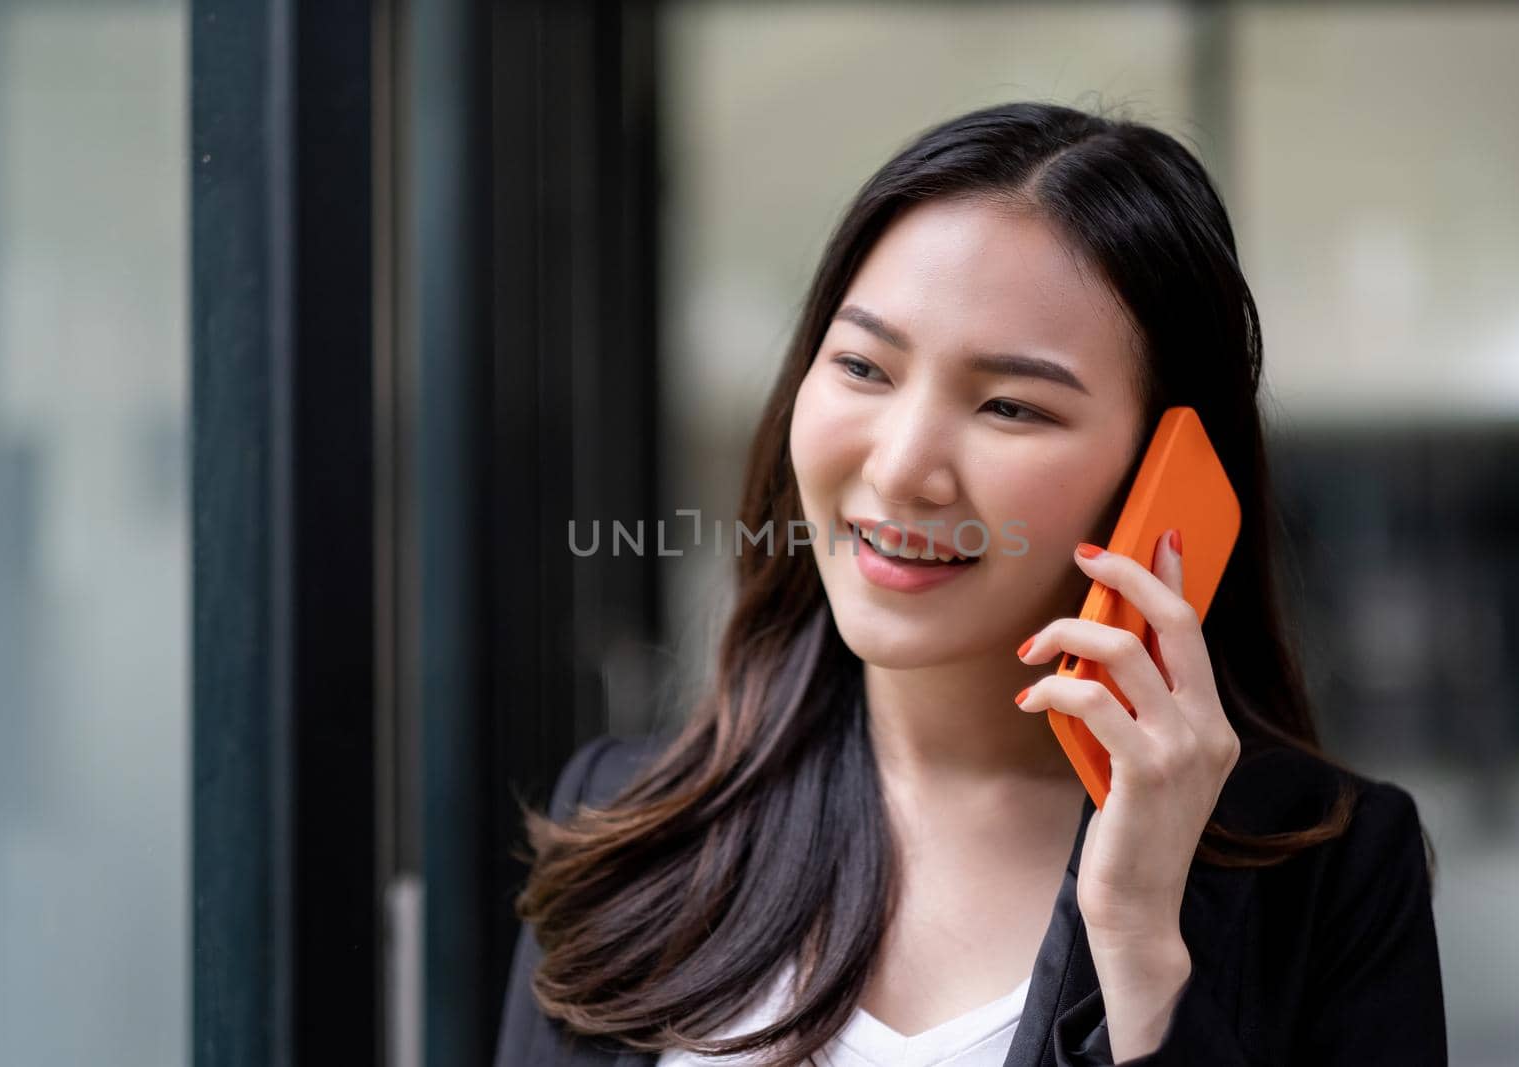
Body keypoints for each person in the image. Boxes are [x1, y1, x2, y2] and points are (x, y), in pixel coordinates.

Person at [493, 101, 1447, 1066]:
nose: (905, 468)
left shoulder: (1332, 874)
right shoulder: (629, 825)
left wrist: (1142, 949)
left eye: (1009, 405)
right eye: (863, 364)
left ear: (1167, 479)